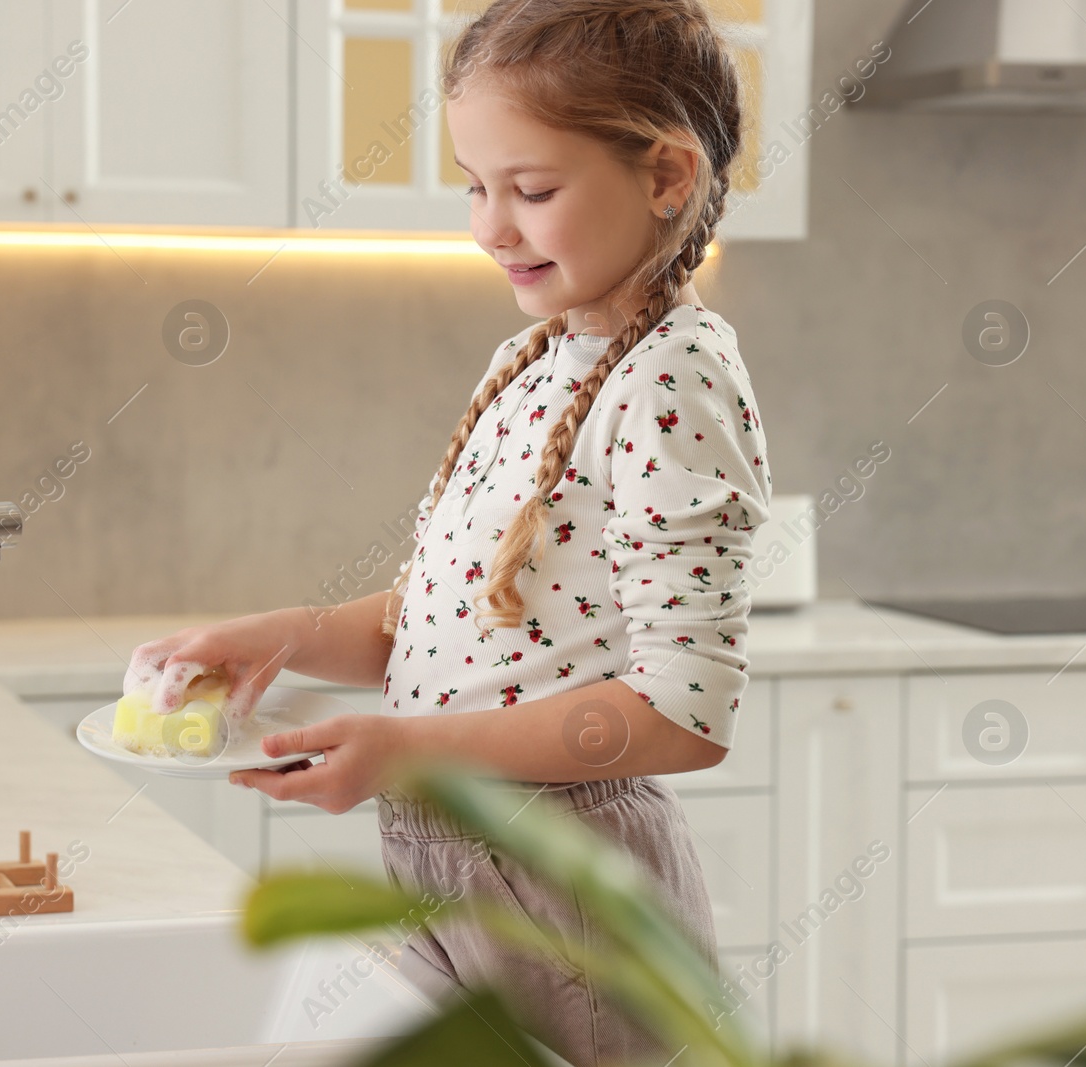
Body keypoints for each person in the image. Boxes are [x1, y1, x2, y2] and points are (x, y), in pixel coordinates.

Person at [126, 2, 772, 1062]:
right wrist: (278, 637)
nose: (489, 226)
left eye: (532, 190)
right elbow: (451, 623)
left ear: (666, 178)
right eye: (476, 186)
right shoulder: (530, 362)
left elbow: (680, 713)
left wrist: (409, 751)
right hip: (453, 861)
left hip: (574, 875)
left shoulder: (674, 378)